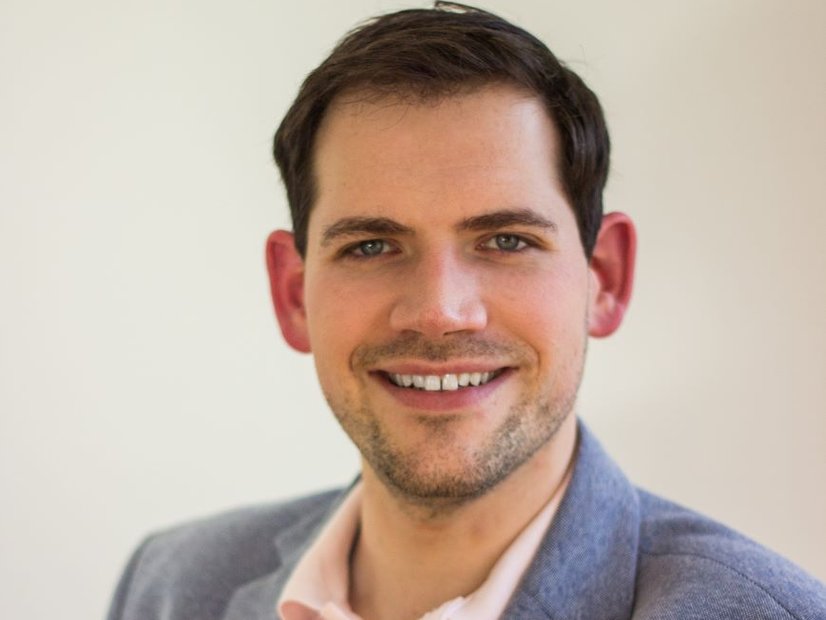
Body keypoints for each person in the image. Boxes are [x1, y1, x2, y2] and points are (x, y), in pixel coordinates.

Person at [107, 3, 826, 619]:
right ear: (294, 294)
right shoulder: (169, 587)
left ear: (604, 278)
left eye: (507, 240)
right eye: (370, 246)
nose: (441, 312)